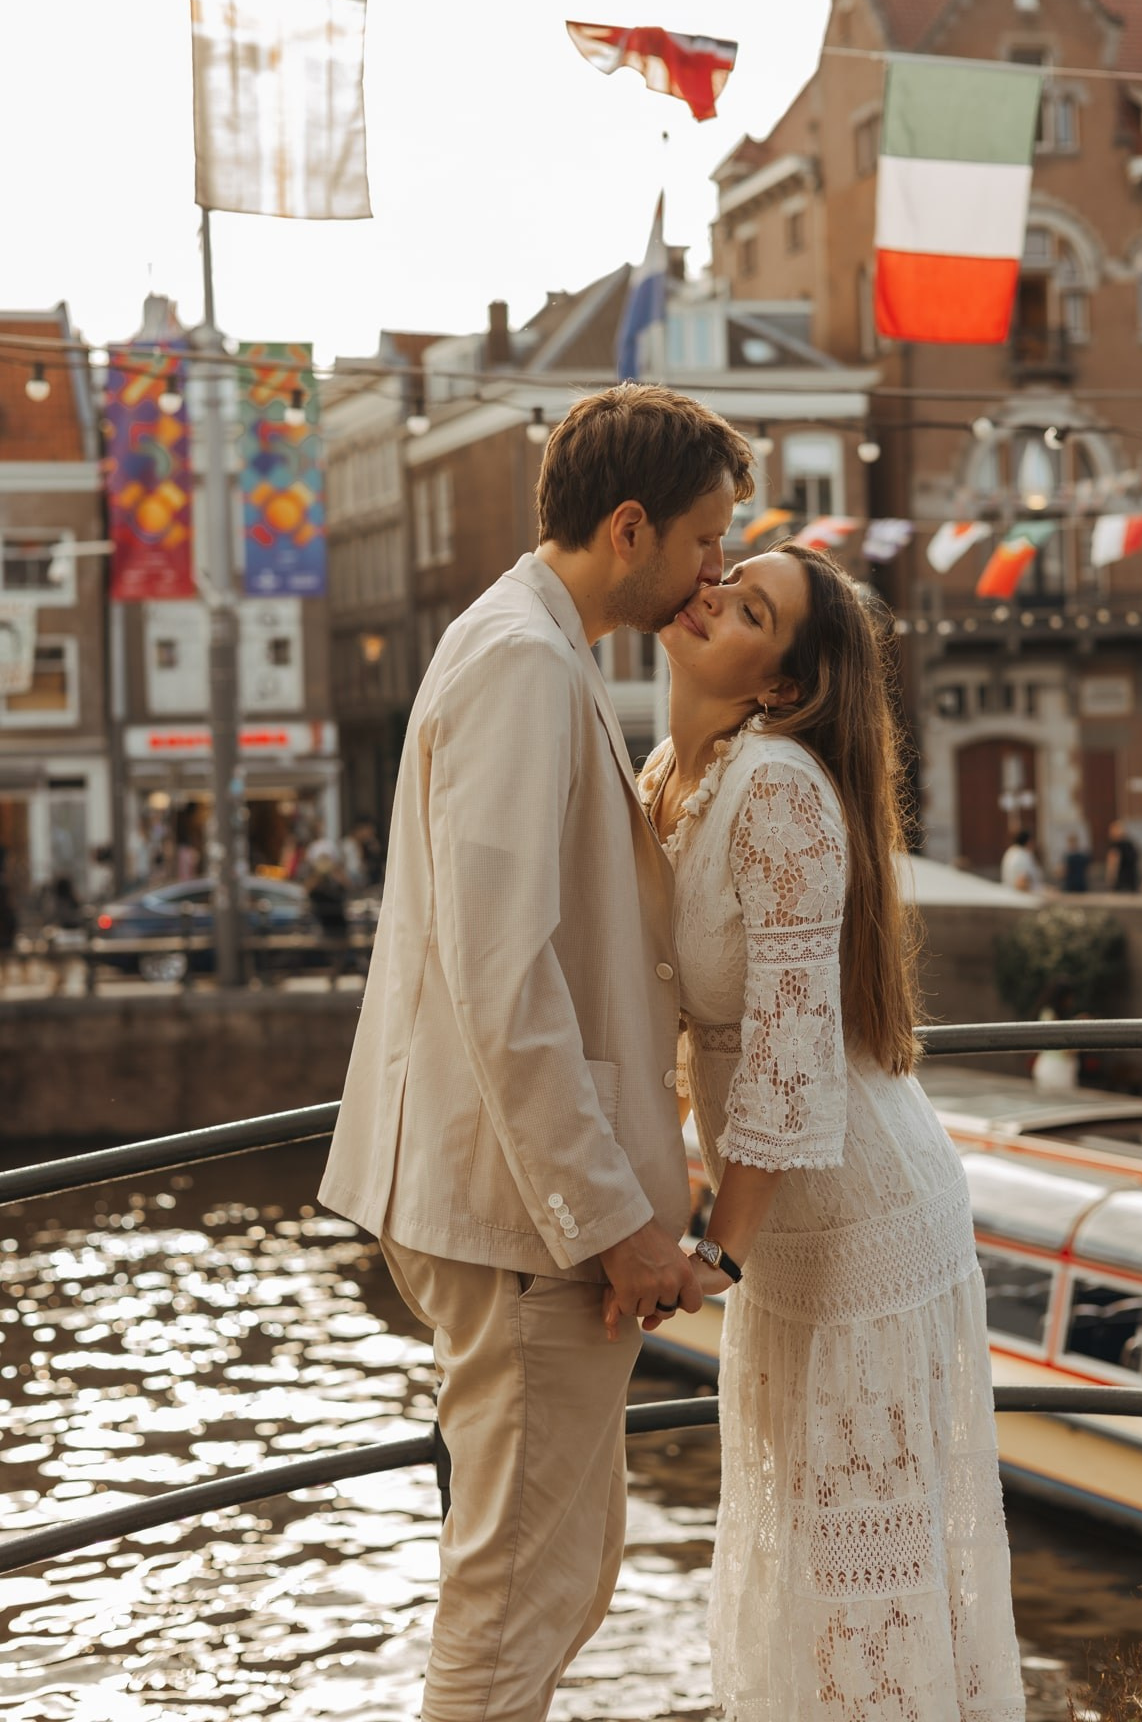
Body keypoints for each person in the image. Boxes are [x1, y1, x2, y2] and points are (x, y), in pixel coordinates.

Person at [319, 383, 754, 1722]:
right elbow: (504, 978)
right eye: (703, 541)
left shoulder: (527, 643)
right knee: (516, 1604)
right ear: (628, 529)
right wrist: (615, 1223)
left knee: (552, 1581)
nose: (715, 571)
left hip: (517, 1211)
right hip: (524, 1224)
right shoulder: (523, 661)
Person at [632, 545, 1025, 1721]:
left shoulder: (777, 790)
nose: (710, 595)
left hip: (861, 1229)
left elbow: (787, 1053)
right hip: (788, 1234)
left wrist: (717, 1252)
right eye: (726, 576)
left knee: (864, 1591)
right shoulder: (666, 776)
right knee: (810, 1574)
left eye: (749, 610)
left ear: (780, 686)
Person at [1000, 827, 1043, 893]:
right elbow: (1021, 883)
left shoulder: (1011, 851)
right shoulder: (1022, 856)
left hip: (1010, 892)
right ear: (1029, 841)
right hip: (1021, 895)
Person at [1104, 818, 1140, 893]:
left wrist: (1110, 882)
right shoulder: (1130, 845)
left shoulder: (1115, 846)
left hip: (1121, 883)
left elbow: (1112, 865)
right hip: (1132, 882)